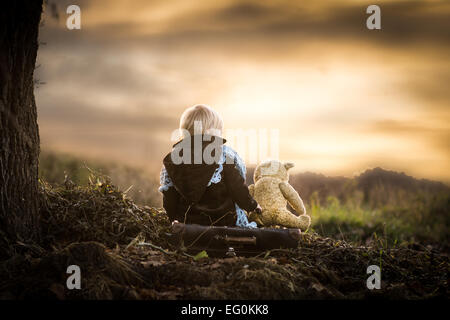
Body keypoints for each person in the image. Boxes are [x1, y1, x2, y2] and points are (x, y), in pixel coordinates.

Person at [159, 104, 261, 227]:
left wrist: (173, 220)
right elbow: (237, 187)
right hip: (223, 223)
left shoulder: (174, 158)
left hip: (187, 224)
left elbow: (170, 197)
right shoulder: (223, 155)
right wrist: (253, 205)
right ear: (211, 132)